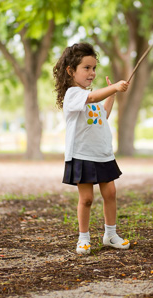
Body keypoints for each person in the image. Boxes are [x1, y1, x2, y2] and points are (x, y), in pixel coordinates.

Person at [53, 42, 131, 255]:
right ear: (71, 71)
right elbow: (93, 97)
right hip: (82, 154)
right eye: (86, 68)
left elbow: (102, 116)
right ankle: (83, 238)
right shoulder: (73, 94)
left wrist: (112, 96)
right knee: (86, 199)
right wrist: (113, 87)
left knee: (111, 193)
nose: (92, 72)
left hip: (102, 154)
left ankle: (110, 234)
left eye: (94, 68)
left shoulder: (92, 95)